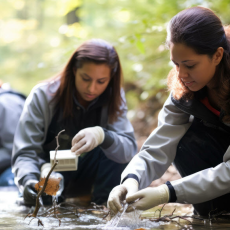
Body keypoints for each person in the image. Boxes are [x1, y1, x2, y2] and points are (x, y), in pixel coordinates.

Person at [108, 6, 230, 217]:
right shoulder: (184, 90)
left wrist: (167, 193)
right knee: (185, 138)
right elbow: (158, 146)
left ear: (217, 55)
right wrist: (130, 180)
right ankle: (215, 216)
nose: (181, 74)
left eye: (190, 65)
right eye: (176, 64)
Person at [12, 39, 137, 206]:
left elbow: (128, 150)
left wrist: (103, 135)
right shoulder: (42, 96)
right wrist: (28, 181)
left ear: (111, 78)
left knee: (115, 148)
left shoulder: (114, 98)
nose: (92, 89)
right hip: (48, 175)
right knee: (45, 205)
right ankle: (47, 199)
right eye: (86, 78)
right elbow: (25, 152)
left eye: (101, 81)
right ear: (73, 70)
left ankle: (104, 209)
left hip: (90, 177)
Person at [0, 78, 25, 186]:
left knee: (6, 182)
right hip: (4, 166)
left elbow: (17, 149)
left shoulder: (3, 104)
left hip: (29, 163)